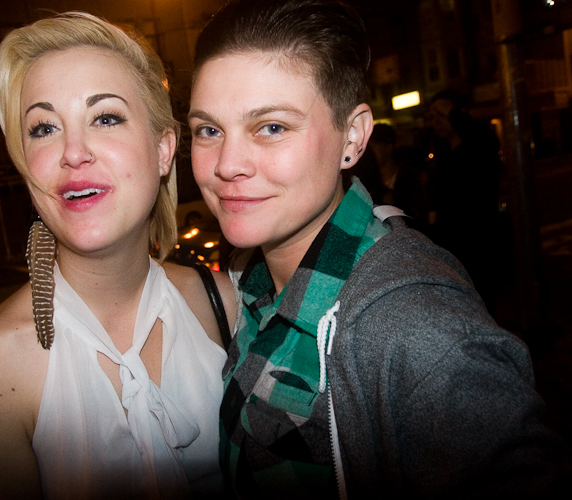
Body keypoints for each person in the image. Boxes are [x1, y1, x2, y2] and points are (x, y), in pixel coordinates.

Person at [187, 0, 569, 498]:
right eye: (209, 130)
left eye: (272, 127)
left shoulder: (415, 325)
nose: (227, 164)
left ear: (353, 137)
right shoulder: (249, 278)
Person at [0, 12, 236, 500]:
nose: (73, 152)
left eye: (105, 118)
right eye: (43, 128)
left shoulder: (225, 304)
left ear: (163, 150)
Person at [427, 90, 502, 312]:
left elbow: (486, 142)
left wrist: (454, 114)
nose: (436, 122)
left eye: (442, 115)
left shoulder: (477, 149)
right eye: (433, 116)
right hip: (452, 244)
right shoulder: (442, 153)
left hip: (478, 241)